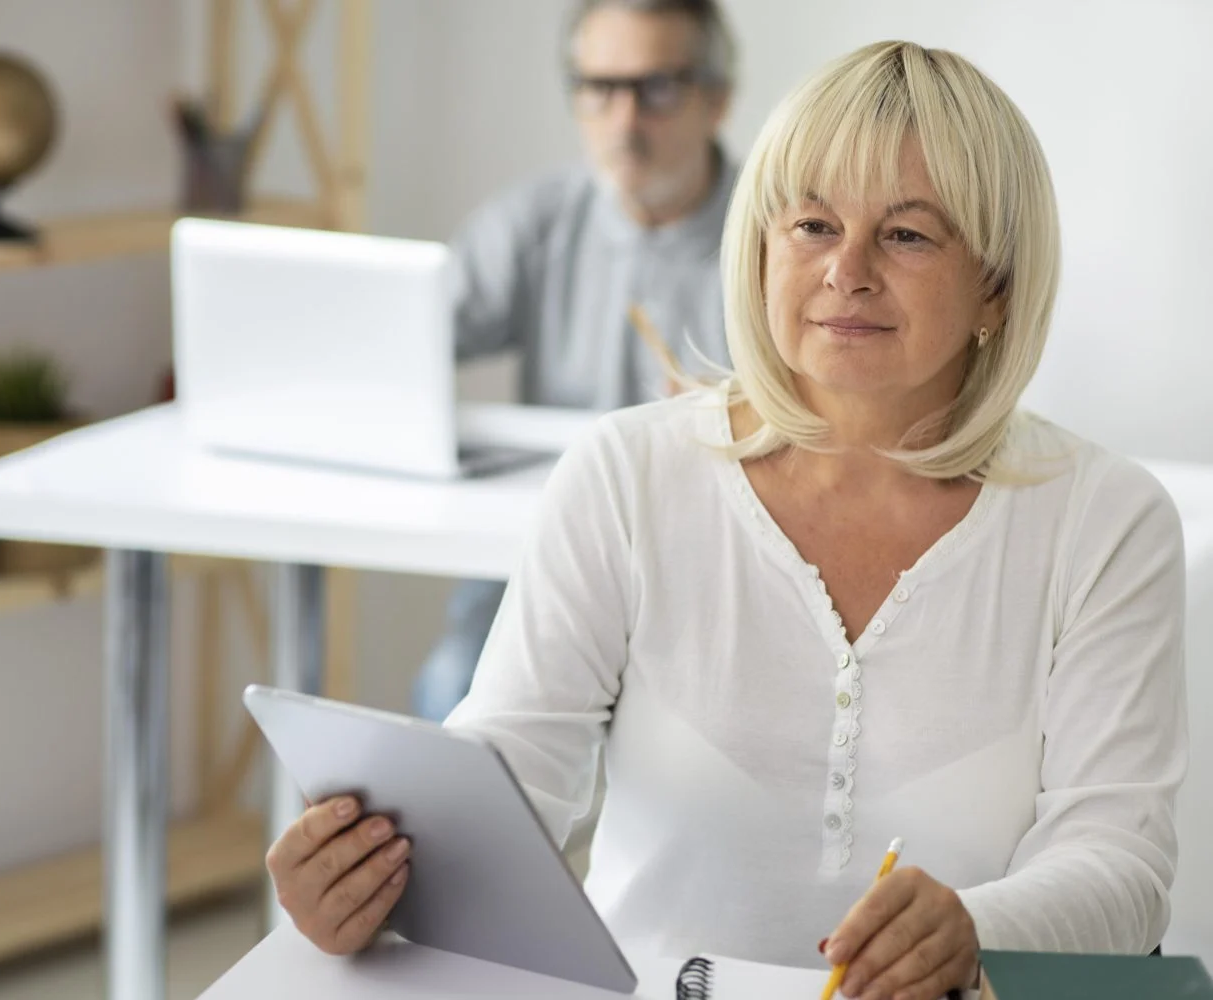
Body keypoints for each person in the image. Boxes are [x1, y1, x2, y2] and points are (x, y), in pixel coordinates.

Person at [268, 39, 1188, 999]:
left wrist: (976, 932)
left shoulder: (1105, 521)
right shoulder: (626, 473)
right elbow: (509, 768)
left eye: (908, 235)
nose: (847, 271)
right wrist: (377, 872)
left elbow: (1120, 865)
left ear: (995, 283)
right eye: (813, 225)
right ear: (760, 250)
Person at [412, 0, 741, 722]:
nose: (624, 121)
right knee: (452, 685)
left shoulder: (779, 239)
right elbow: (405, 341)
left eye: (657, 89)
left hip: (705, 570)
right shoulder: (535, 223)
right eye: (599, 88)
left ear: (716, 99)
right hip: (539, 552)